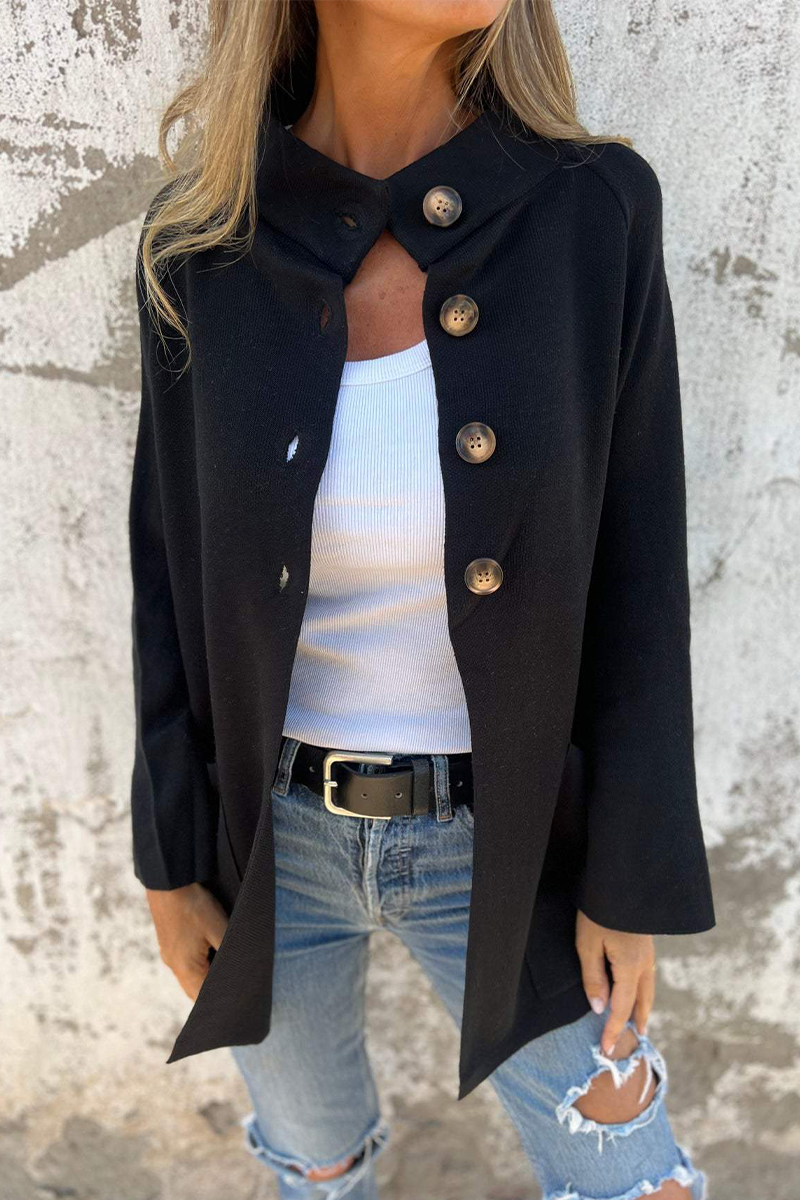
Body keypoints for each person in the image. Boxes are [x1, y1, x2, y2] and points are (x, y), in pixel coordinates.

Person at [129, 1, 717, 1197]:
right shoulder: (202, 242)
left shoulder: (590, 213)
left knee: (631, 1173)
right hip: (269, 840)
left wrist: (627, 874)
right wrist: (168, 857)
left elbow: (639, 574)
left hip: (509, 839)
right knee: (314, 1162)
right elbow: (167, 569)